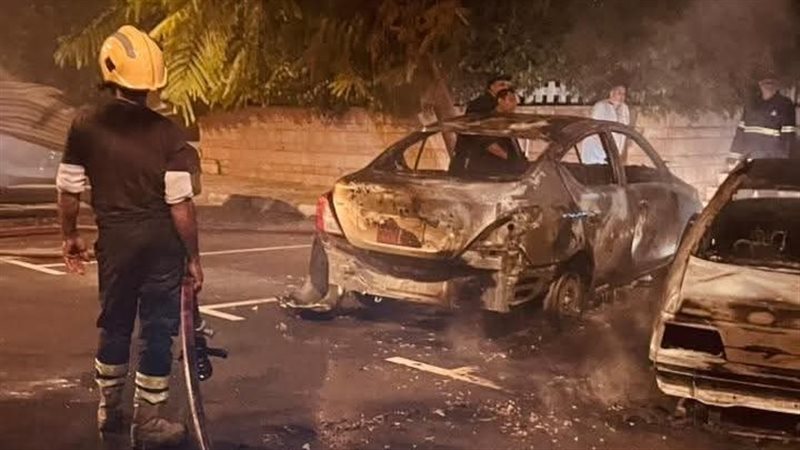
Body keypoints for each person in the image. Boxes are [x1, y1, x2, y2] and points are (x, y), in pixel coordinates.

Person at [56, 25, 202, 448]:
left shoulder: (84, 125)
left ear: (110, 71)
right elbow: (180, 204)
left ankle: (109, 410)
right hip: (161, 247)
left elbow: (68, 190)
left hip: (115, 244)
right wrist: (193, 259)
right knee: (157, 330)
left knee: (115, 325)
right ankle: (148, 420)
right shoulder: (168, 132)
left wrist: (70, 236)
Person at [730, 73, 797, 159]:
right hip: (750, 157)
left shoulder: (785, 105)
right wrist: (733, 156)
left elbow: (788, 137)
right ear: (760, 84)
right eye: (766, 83)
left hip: (772, 159)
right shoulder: (752, 104)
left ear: (777, 85)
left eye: (772, 83)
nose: (769, 86)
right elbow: (740, 131)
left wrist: (784, 160)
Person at [581, 84, 630, 164]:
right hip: (597, 150)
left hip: (614, 151)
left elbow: (624, 129)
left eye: (623, 94)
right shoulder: (601, 107)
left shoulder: (624, 109)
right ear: (612, 93)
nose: (622, 96)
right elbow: (595, 128)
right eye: (619, 93)